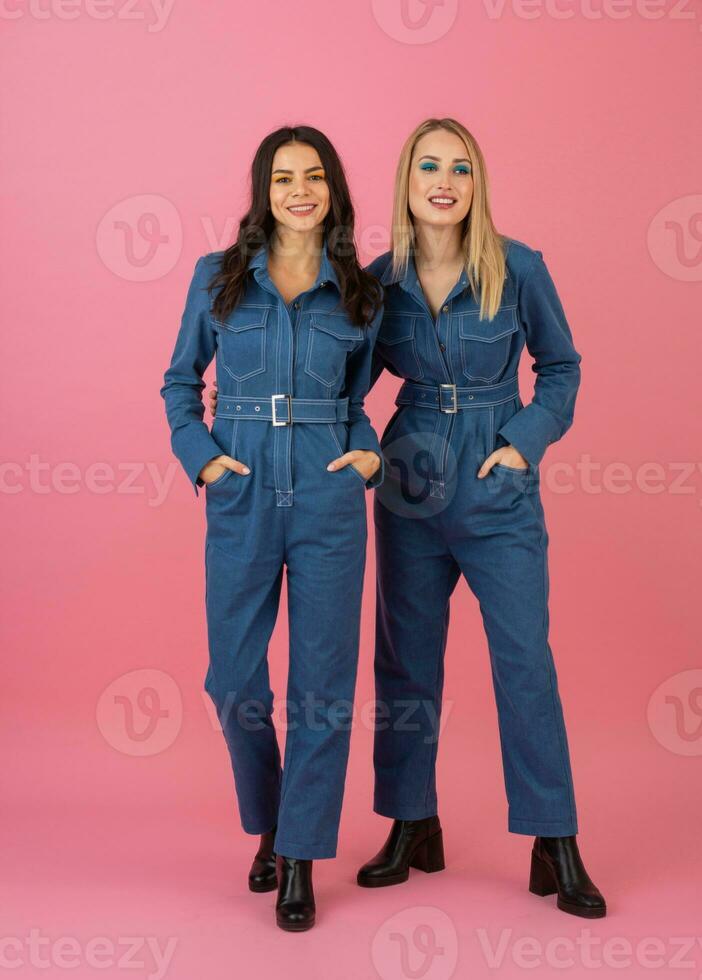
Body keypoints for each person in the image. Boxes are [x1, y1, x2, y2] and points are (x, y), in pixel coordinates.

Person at [354, 117, 605, 918]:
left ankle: (553, 838)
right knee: (405, 662)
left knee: (524, 660)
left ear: (476, 184)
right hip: (409, 478)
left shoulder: (518, 266)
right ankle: (410, 821)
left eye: (460, 168)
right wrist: (360, 452)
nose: (444, 180)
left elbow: (560, 367)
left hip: (495, 479)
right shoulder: (377, 281)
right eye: (429, 165)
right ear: (408, 181)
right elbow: (343, 384)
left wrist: (522, 444)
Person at [161, 125, 383, 932]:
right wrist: (205, 460)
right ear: (264, 190)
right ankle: (270, 820)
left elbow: (361, 401)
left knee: (322, 691)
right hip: (243, 491)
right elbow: (180, 383)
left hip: (328, 500)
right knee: (233, 677)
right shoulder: (217, 279)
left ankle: (299, 856)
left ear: (333, 191)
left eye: (314, 177)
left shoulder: (359, 287)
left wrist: (366, 457)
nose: (300, 190)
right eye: (284, 177)